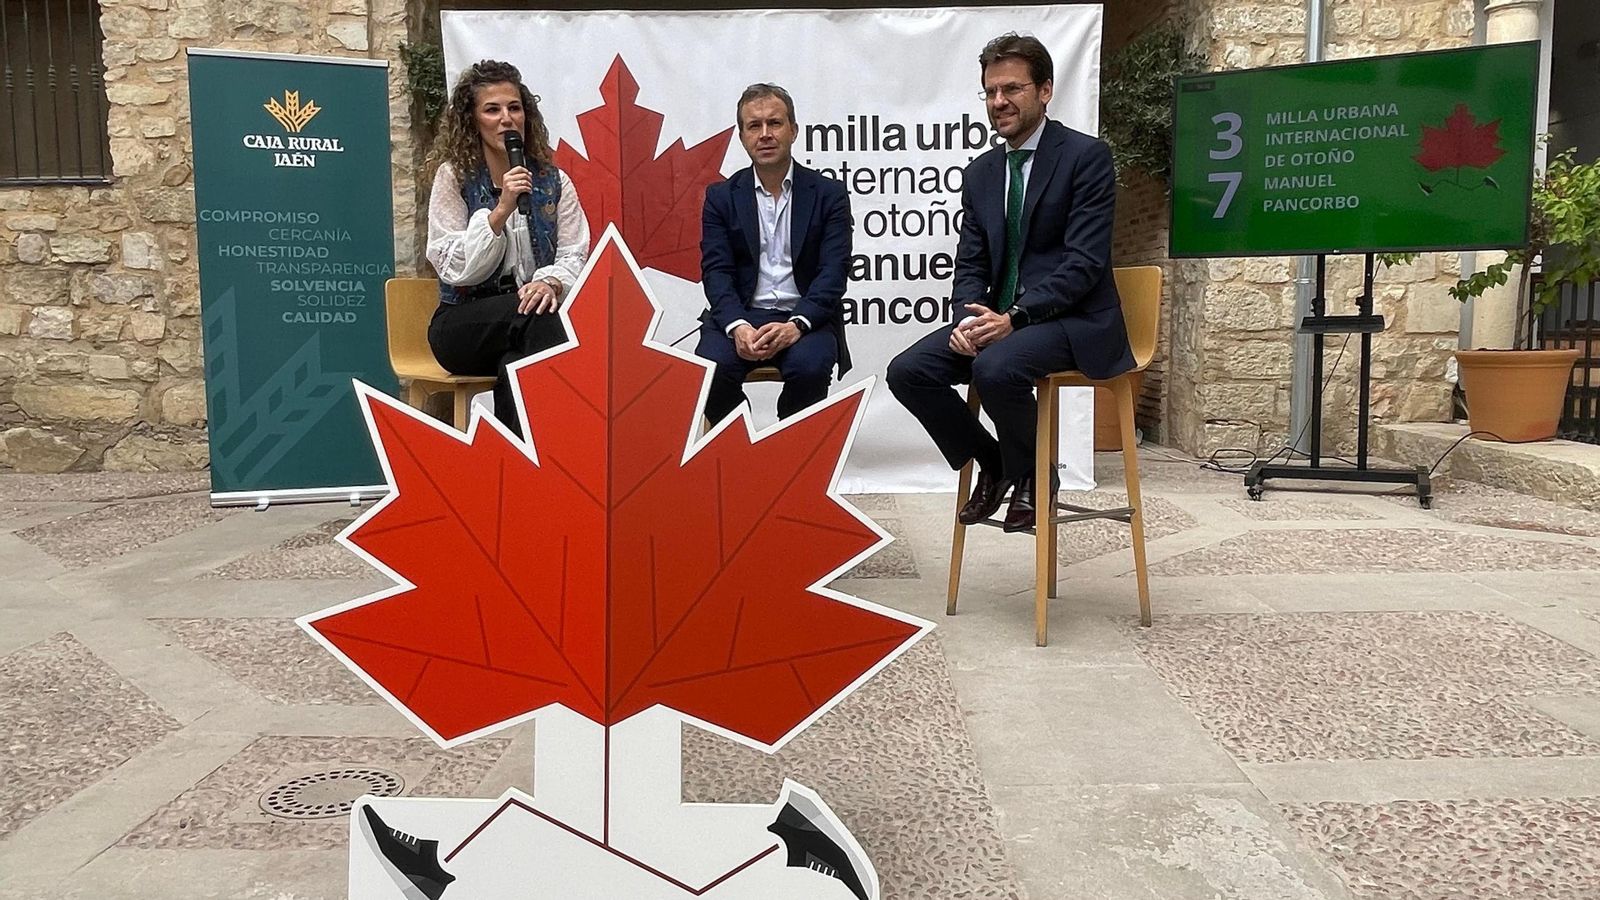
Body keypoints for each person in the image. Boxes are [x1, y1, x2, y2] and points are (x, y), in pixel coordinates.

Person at [887, 33, 1133, 531]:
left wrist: (1014, 317)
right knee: (907, 371)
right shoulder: (981, 173)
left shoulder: (1085, 157)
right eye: (990, 91)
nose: (999, 102)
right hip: (999, 319)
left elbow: (1083, 264)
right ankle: (995, 462)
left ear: (1045, 90)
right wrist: (966, 317)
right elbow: (971, 263)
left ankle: (1036, 479)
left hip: (1072, 319)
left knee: (996, 368)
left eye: (1012, 89)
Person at [424, 59, 590, 435]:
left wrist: (550, 283)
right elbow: (453, 266)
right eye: (492, 109)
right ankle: (573, 445)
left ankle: (521, 474)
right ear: (472, 119)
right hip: (461, 326)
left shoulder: (553, 180)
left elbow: (573, 253)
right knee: (540, 319)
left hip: (529, 320)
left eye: (514, 108)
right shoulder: (454, 176)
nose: (506, 119)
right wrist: (500, 211)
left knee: (518, 365)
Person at [697, 83, 853, 426]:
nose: (765, 134)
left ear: (793, 131)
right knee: (709, 369)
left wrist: (797, 325)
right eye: (754, 126)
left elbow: (834, 271)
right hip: (742, 314)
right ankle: (744, 449)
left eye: (775, 123)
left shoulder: (829, 195)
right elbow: (716, 271)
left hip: (804, 318)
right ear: (742, 136)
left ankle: (787, 453)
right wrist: (737, 325)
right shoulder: (721, 197)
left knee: (810, 368)